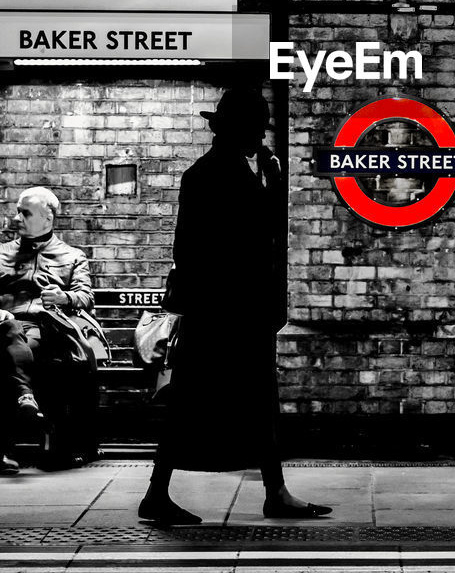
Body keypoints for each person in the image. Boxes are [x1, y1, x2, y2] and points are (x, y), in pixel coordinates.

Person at [139, 87, 332, 524]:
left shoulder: (232, 171)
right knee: (202, 399)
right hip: (223, 313)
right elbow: (229, 241)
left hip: (233, 311)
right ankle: (160, 493)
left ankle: (273, 490)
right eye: (257, 129)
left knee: (248, 399)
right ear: (236, 131)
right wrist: (273, 184)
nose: (262, 138)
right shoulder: (214, 175)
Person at [0, 186, 97, 474]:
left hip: (49, 330)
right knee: (9, 335)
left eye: (25, 212)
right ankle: (36, 423)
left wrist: (63, 298)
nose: (16, 217)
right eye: (17, 211)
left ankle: (7, 442)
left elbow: (86, 297)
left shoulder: (72, 256)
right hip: (8, 329)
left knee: (26, 358)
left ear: (48, 217)